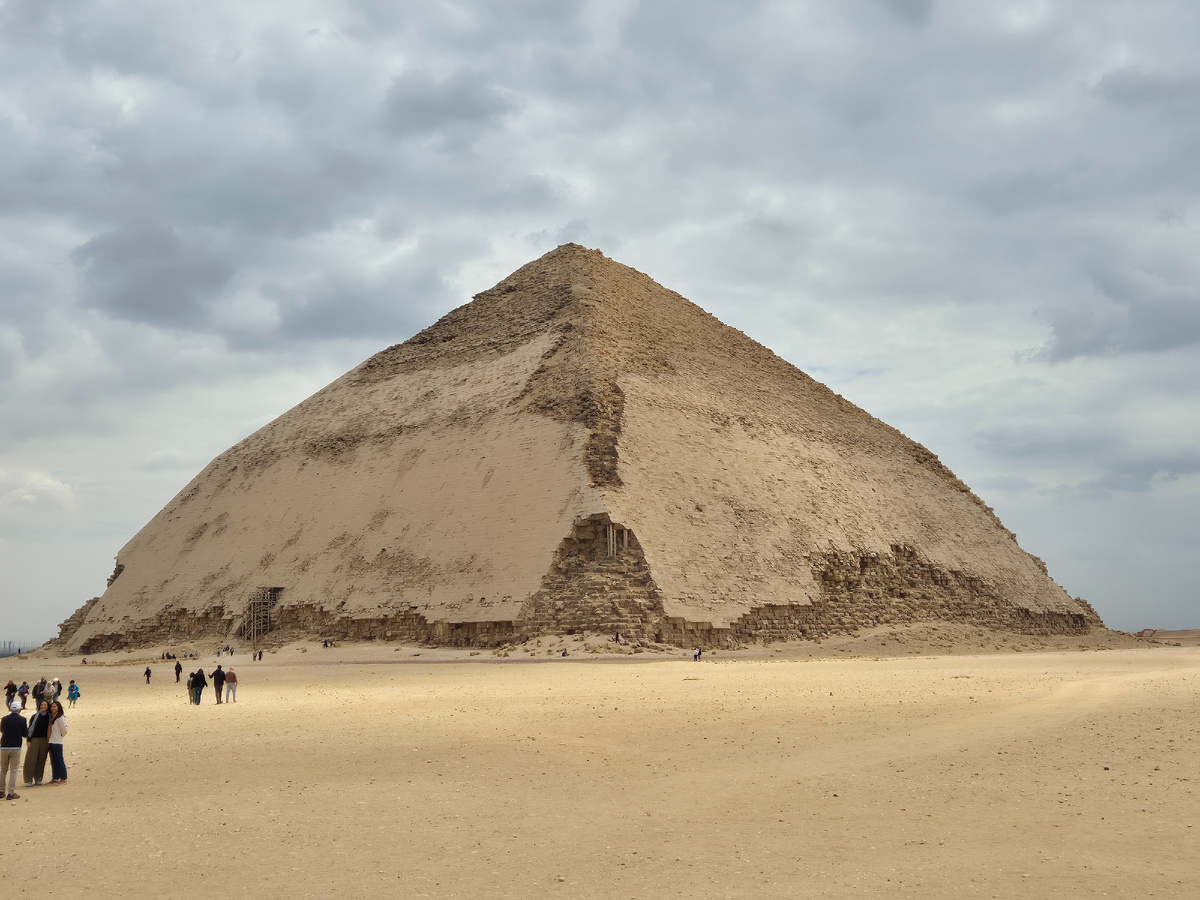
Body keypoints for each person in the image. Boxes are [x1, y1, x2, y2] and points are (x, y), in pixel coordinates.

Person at [1, 701, 27, 800]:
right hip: (15, 746)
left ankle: (1, 791)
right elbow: (25, 733)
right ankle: (11, 793)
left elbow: (2, 730)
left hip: (4, 746)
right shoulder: (22, 719)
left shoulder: (4, 719)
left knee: (3, 769)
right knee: (13, 770)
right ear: (20, 709)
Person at [23, 699, 50, 787]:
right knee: (31, 759)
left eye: (45, 705)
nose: (43, 706)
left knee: (41, 759)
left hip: (45, 740)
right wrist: (28, 740)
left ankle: (38, 778)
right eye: (42, 705)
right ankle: (28, 779)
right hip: (34, 739)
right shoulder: (34, 716)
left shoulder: (50, 717)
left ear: (48, 706)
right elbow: (30, 728)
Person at [47, 700, 68, 785]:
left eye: (55, 706)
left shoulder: (60, 718)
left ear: (58, 707)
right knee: (53, 760)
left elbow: (64, 730)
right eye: (52, 707)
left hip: (57, 742)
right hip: (51, 741)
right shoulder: (52, 717)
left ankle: (63, 777)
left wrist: (60, 736)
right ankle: (55, 777)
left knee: (59, 760)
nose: (53, 708)